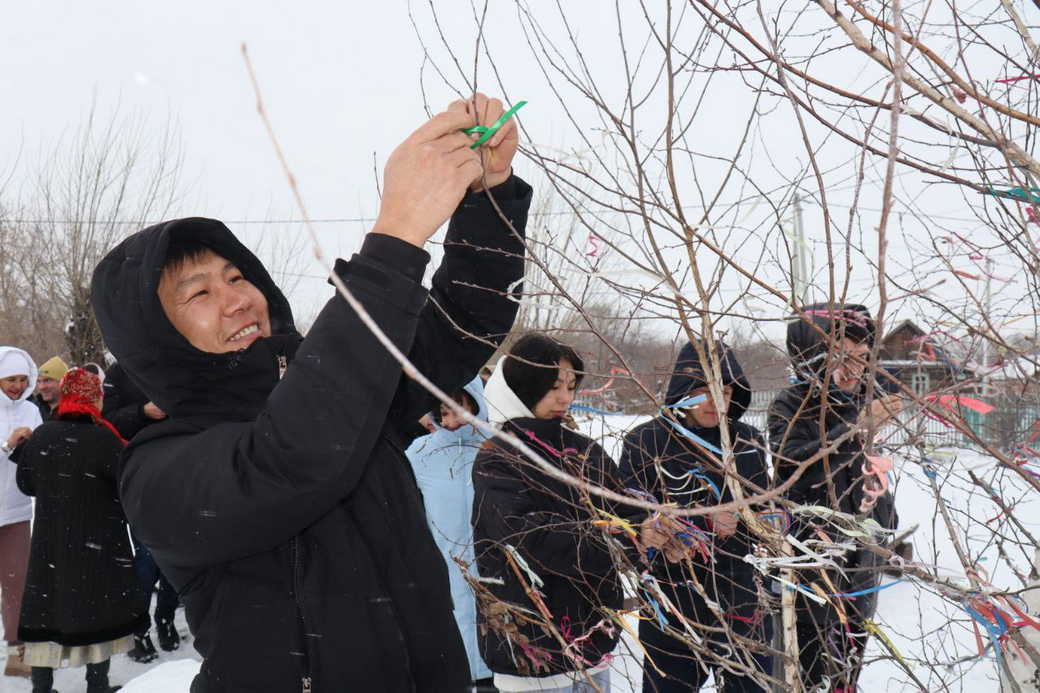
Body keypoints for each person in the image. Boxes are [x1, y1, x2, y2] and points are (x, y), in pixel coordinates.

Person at [90, 94, 531, 692]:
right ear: (153, 337)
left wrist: (487, 199)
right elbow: (292, 457)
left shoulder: (347, 400)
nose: (238, 299)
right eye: (199, 295)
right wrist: (397, 235)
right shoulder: (158, 469)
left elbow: (460, 326)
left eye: (237, 276)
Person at [472, 333, 683, 693]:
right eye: (554, 386)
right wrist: (623, 536)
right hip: (533, 645)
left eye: (571, 386)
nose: (565, 398)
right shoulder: (498, 457)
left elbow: (622, 511)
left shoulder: (583, 451)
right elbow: (527, 536)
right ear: (524, 386)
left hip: (592, 640)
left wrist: (657, 535)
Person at [620, 341, 773, 692]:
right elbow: (626, 519)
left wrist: (760, 522)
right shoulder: (646, 441)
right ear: (682, 390)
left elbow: (764, 512)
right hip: (672, 602)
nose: (715, 401)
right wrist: (683, 528)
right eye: (703, 391)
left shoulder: (747, 440)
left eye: (726, 390)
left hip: (740, 598)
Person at [767, 303, 900, 691]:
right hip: (809, 572)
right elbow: (793, 459)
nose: (853, 368)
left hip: (859, 573)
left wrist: (883, 525)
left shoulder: (863, 403)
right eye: (841, 357)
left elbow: (874, 478)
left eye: (861, 358)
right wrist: (856, 427)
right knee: (803, 676)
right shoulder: (791, 406)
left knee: (845, 677)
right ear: (811, 358)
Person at [14, 368, 146, 693]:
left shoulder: (43, 435)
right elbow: (126, 487)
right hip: (97, 545)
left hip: (51, 545)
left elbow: (26, 484)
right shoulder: (105, 438)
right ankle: (96, 685)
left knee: (46, 616)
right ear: (93, 398)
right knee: (98, 616)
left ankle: (41, 688)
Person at [406, 377, 494, 691]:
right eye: (443, 411)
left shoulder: (497, 450)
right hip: (445, 590)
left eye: (458, 408)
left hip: (497, 596)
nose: (451, 419)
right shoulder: (419, 454)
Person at [101, 361, 179, 661]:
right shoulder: (120, 372)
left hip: (181, 469)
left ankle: (166, 617)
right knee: (147, 556)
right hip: (139, 474)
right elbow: (108, 421)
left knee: (178, 550)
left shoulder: (179, 362)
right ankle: (138, 628)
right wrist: (143, 412)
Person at [0, 347, 43, 678]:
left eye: (22, 380)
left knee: (17, 583)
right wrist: (7, 445)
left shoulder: (31, 410)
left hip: (15, 510)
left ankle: (18, 652)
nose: (16, 385)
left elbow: (39, 454)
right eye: (10, 379)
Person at [29, 357, 67, 421]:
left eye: (47, 381)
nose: (42, 387)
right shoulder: (32, 409)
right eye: (39, 381)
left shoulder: (76, 412)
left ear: (62, 382)